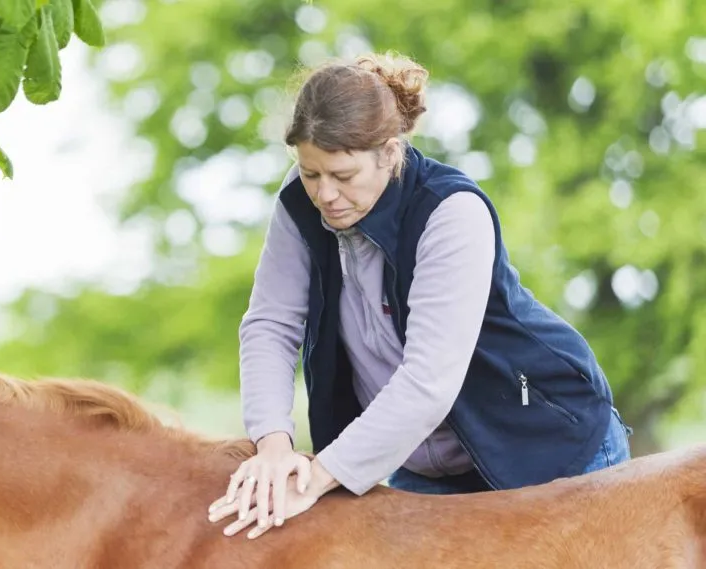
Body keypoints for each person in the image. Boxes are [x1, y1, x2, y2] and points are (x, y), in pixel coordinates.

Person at [206, 51, 632, 539]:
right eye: (310, 173)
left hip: (544, 449)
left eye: (343, 176)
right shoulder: (301, 202)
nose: (324, 194)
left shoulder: (452, 213)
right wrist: (274, 448)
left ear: (389, 153)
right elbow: (270, 324)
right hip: (423, 469)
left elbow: (428, 382)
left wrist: (318, 476)